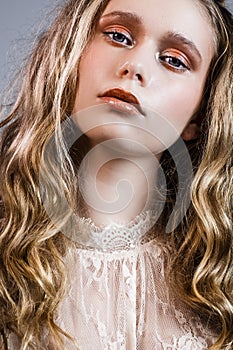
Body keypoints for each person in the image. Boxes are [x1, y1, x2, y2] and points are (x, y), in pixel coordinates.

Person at [0, 0, 232, 349]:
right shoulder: (8, 241)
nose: (134, 66)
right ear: (73, 52)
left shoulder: (219, 270)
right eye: (118, 36)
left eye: (174, 60)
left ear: (199, 115)